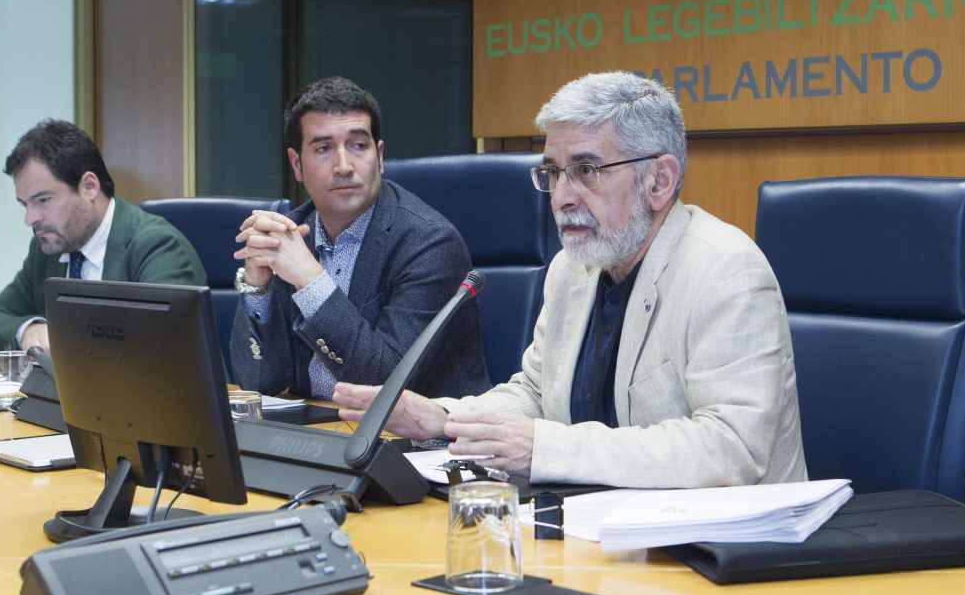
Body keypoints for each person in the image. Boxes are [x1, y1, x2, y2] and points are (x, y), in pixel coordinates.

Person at [335, 71, 808, 489]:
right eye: (554, 173)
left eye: (586, 171)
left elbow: (733, 448)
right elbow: (538, 392)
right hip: (603, 532)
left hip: (723, 555)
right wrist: (444, 417)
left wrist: (545, 450)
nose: (561, 197)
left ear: (659, 181)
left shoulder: (725, 269)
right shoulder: (573, 269)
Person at [229, 76, 490, 400]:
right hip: (320, 430)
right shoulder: (292, 234)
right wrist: (258, 287)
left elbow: (385, 388)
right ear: (297, 164)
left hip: (417, 444)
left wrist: (311, 281)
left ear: (379, 156)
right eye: (324, 148)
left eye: (358, 146)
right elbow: (257, 383)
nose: (344, 166)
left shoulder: (430, 244)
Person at [0, 120, 206, 353]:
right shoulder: (47, 248)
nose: (30, 218)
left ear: (89, 187)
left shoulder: (157, 246)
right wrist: (29, 329)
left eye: (43, 200)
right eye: (25, 204)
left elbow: (164, 346)